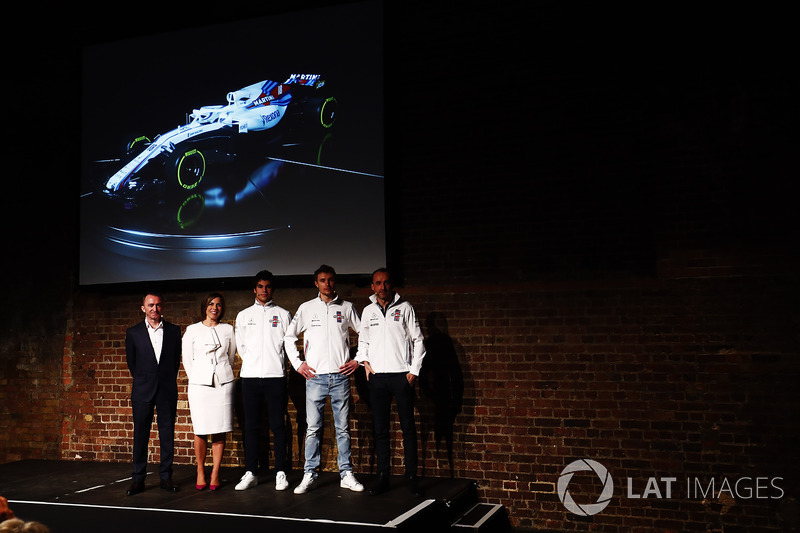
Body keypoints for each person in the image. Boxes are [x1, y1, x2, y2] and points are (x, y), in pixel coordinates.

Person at [284, 264, 365, 494]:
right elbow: (289, 337)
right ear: (315, 283)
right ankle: (310, 473)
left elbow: (366, 335)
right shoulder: (306, 308)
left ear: (334, 282)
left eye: (330, 280)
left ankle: (346, 474)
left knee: (343, 429)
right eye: (322, 280)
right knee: (312, 429)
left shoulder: (347, 307)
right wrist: (299, 364)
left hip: (340, 377)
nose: (327, 284)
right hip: (315, 378)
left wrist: (358, 359)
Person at [356, 268, 426, 496]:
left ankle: (411, 477)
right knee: (381, 430)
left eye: (386, 283)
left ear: (391, 285)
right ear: (372, 287)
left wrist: (413, 371)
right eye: (378, 283)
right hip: (377, 378)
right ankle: (383, 476)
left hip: (401, 376)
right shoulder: (367, 311)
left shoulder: (405, 308)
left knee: (407, 428)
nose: (383, 287)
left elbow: (418, 340)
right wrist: (365, 363)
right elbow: (363, 341)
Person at [234, 270, 292, 491]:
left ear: (272, 289)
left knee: (278, 425)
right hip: (250, 378)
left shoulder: (284, 314)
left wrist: (274, 365)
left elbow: (288, 346)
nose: (264, 290)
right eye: (260, 286)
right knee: (251, 426)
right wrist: (255, 364)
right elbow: (242, 347)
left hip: (276, 377)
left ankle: (280, 472)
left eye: (268, 286)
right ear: (254, 289)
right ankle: (251, 472)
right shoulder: (243, 315)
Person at [125, 292, 182, 495]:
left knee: (167, 435)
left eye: (158, 305)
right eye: (150, 305)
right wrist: (145, 380)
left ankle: (166, 477)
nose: (154, 309)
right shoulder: (133, 333)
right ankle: (138, 479)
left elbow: (175, 362)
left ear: (162, 307)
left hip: (166, 390)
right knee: (140, 435)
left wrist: (164, 380)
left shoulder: (175, 331)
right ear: (143, 308)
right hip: (142, 389)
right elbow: (132, 363)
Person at [182, 292, 237, 490]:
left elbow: (230, 357)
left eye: (219, 305)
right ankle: (199, 470)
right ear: (205, 306)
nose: (215, 308)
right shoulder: (192, 330)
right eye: (211, 304)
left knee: (220, 429)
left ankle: (215, 472)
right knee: (201, 430)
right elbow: (187, 360)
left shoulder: (228, 330)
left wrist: (221, 373)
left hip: (223, 384)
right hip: (199, 386)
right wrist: (199, 377)